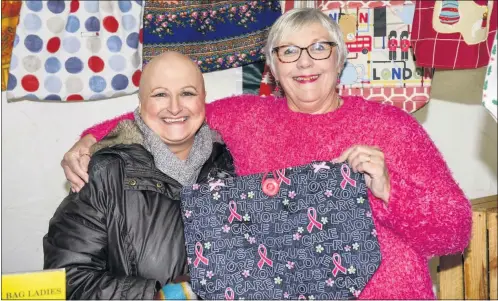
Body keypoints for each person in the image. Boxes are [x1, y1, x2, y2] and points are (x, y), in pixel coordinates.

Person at [60, 8, 472, 299]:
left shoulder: (392, 126)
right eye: (288, 51)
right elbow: (173, 111)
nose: (304, 62)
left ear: (340, 58)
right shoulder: (246, 117)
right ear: (273, 67)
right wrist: (90, 139)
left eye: (319, 48)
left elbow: (456, 232)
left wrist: (389, 190)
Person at [43, 52, 235, 299]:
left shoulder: (235, 165)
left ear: (204, 99)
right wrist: (155, 297)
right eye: (160, 94)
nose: (175, 107)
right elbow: (67, 278)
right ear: (141, 102)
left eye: (187, 93)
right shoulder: (104, 173)